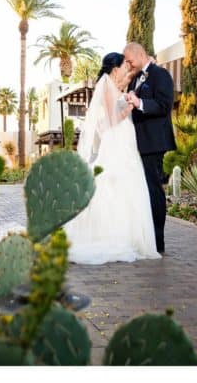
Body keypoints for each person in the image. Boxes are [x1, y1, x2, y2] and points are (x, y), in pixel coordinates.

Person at [63, 52, 161, 264]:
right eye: (124, 65)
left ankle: (129, 236)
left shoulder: (113, 85)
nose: (127, 68)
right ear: (115, 68)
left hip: (124, 140)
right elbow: (110, 121)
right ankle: (111, 234)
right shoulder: (106, 85)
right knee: (114, 182)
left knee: (128, 184)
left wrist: (146, 66)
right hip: (115, 139)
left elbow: (129, 80)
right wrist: (129, 108)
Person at [123, 42, 176, 254]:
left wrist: (140, 104)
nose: (128, 64)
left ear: (140, 54)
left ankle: (157, 241)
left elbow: (164, 105)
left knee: (153, 189)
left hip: (154, 142)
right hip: (138, 142)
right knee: (142, 190)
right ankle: (145, 238)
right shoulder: (135, 78)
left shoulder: (160, 74)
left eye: (129, 60)